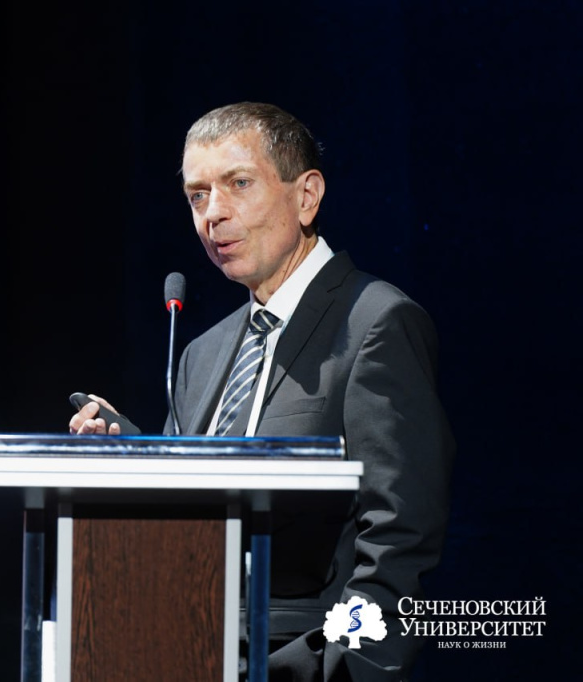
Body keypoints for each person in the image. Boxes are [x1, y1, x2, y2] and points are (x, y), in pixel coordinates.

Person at [68, 102, 455, 681]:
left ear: (306, 196)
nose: (213, 214)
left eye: (239, 184)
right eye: (197, 196)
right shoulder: (201, 353)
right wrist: (131, 457)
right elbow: (190, 531)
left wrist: (342, 668)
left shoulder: (375, 322)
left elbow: (400, 539)